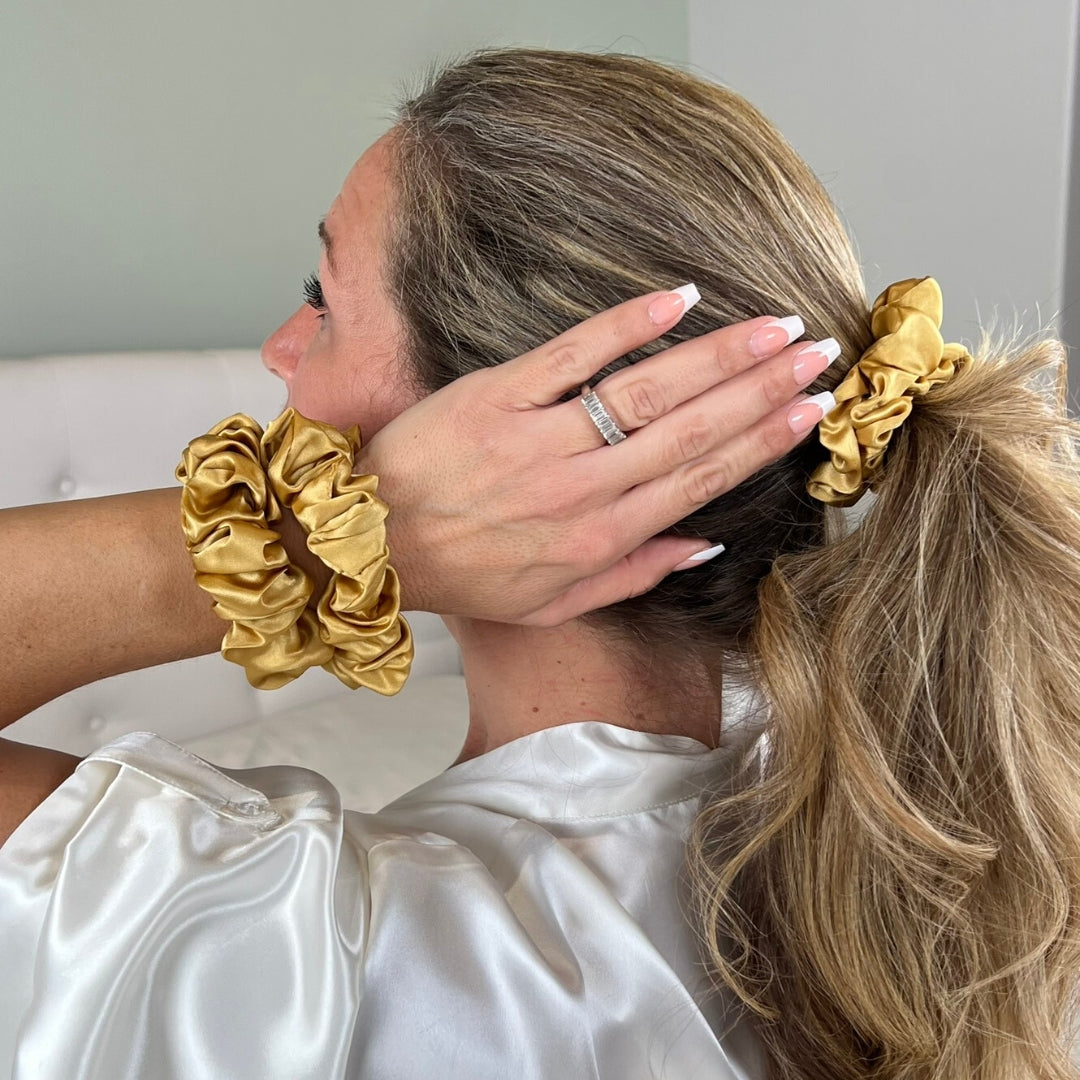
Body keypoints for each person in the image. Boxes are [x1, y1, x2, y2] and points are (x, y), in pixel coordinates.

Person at [3, 46, 1079, 1080]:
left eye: (324, 295)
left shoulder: (298, 954)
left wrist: (329, 535)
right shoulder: (937, 810)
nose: (284, 345)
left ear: (508, 439)